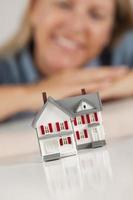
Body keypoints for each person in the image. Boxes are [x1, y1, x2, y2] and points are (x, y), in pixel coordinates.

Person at [0, 0, 133, 121]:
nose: (76, 26)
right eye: (64, 5)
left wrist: (90, 94)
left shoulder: (119, 51)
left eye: (96, 15)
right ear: (34, 9)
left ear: (110, 32)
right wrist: (35, 94)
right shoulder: (5, 68)